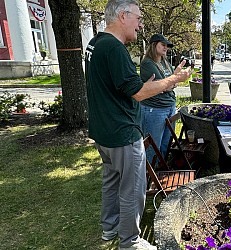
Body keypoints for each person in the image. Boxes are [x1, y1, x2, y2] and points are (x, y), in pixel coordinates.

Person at [84, 0, 191, 249]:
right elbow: (139, 92)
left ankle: (109, 229)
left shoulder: (96, 42)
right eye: (138, 18)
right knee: (133, 187)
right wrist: (174, 79)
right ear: (123, 15)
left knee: (111, 181)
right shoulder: (114, 47)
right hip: (122, 132)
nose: (140, 24)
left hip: (103, 131)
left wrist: (163, 80)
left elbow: (119, 84)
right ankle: (130, 241)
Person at [139, 34, 177, 164]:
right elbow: (163, 86)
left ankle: (161, 171)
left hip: (170, 106)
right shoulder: (147, 64)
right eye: (163, 44)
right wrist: (170, 82)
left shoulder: (165, 62)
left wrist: (170, 83)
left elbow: (171, 83)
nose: (166, 47)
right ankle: (149, 176)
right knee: (153, 146)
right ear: (154, 45)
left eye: (167, 45)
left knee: (166, 143)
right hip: (154, 110)